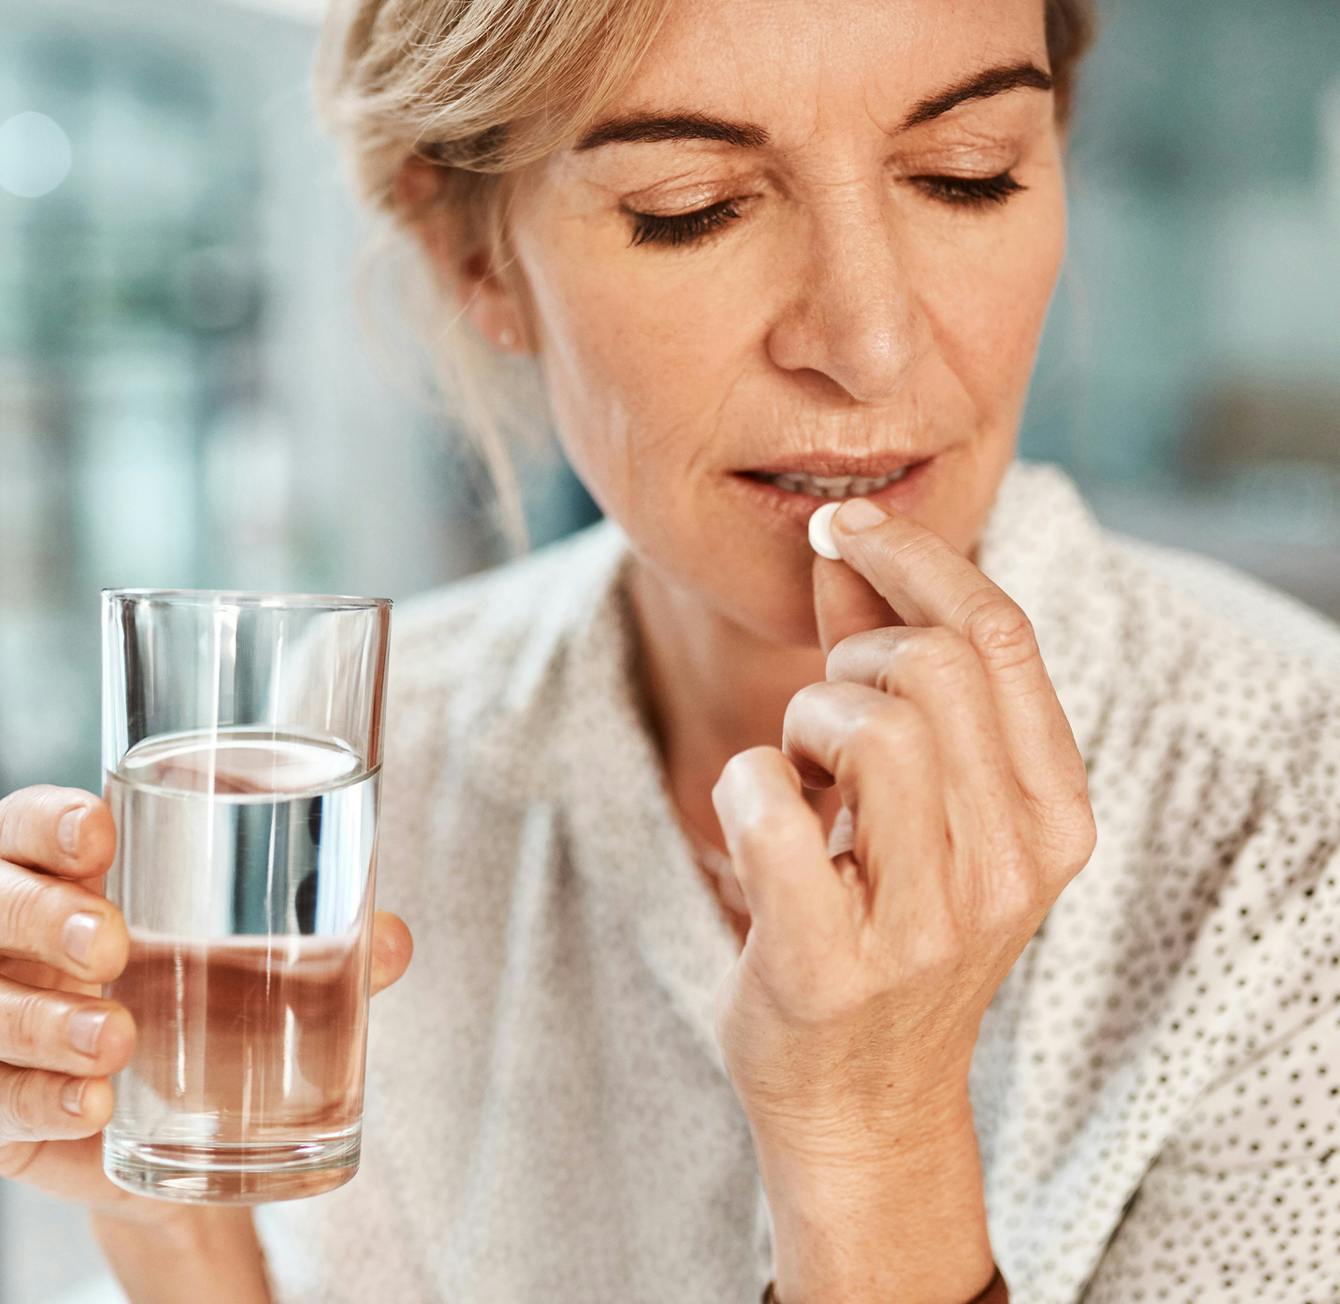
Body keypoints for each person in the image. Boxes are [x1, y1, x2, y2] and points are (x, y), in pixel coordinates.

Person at [2, 0, 1338, 1300]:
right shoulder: (374, 752)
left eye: (963, 177)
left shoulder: (1293, 815)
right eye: (690, 203)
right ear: (475, 255)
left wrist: (872, 1148)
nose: (869, 345)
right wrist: (171, 1232)